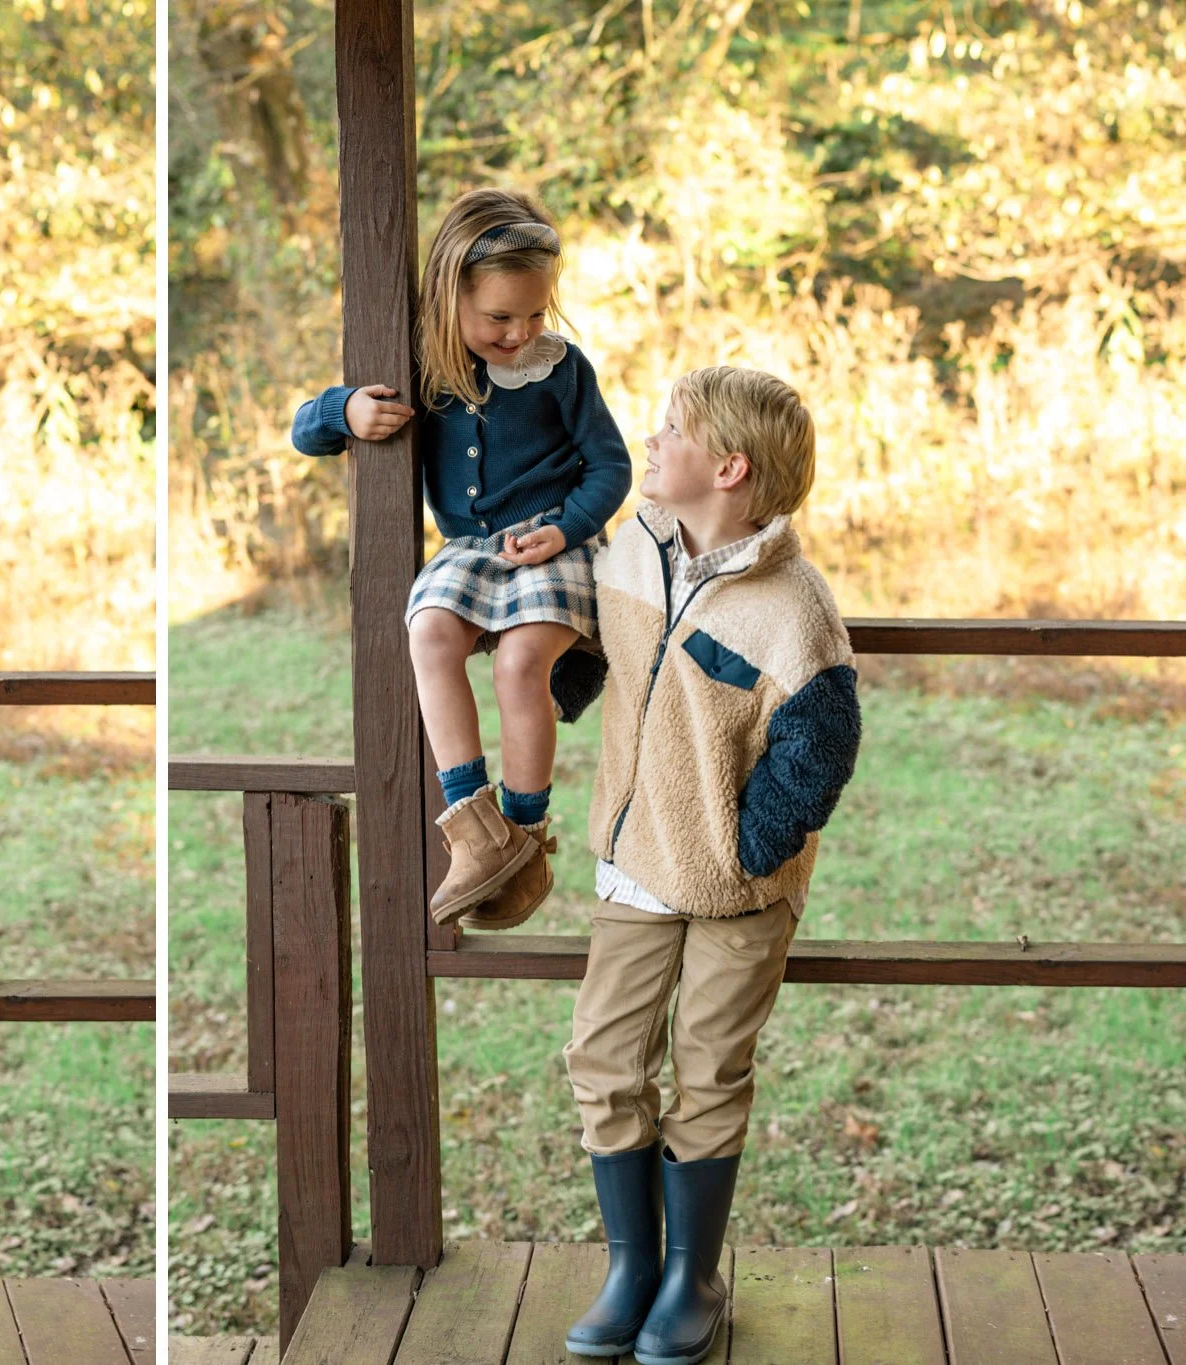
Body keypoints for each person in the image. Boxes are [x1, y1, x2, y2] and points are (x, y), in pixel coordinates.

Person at [562, 367, 861, 1364]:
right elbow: (601, 649)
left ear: (726, 468)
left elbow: (817, 746)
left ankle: (691, 1275)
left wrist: (749, 847)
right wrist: (558, 667)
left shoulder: (791, 608)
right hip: (634, 863)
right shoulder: (629, 553)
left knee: (707, 1067)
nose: (649, 444)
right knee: (603, 1058)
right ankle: (629, 1268)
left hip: (737, 888)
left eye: (670, 432)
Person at [291, 186, 630, 930]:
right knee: (429, 632)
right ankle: (475, 828)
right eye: (500, 317)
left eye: (535, 313)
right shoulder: (421, 363)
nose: (520, 333)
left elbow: (611, 468)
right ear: (452, 296)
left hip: (556, 541)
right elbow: (304, 431)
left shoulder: (560, 368)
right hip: (472, 549)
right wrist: (344, 410)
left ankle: (527, 829)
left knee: (518, 664)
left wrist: (566, 527)